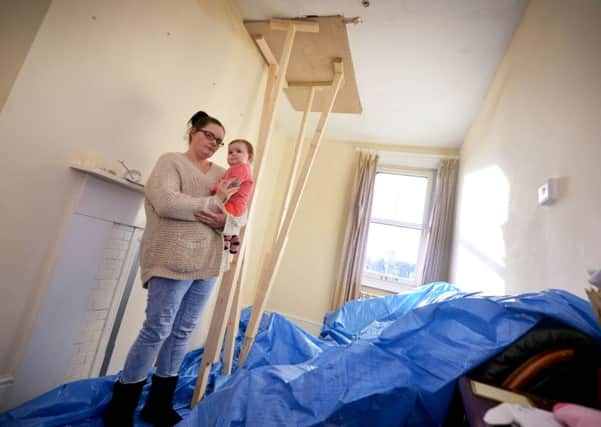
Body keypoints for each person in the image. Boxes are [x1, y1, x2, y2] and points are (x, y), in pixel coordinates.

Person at [104, 111, 239, 427]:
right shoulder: (171, 162)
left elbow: (239, 212)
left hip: (208, 263)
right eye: (209, 136)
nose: (215, 144)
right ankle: (121, 411)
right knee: (157, 330)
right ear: (193, 131)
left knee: (181, 332)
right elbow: (167, 203)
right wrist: (211, 204)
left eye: (220, 141)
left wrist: (227, 220)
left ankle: (157, 406)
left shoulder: (224, 173)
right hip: (170, 258)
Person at [211, 139, 254, 254]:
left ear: (249, 157)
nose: (233, 154)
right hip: (236, 204)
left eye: (238, 151)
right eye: (230, 152)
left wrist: (215, 188)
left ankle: (226, 240)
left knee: (220, 215)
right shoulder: (233, 169)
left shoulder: (242, 167)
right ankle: (234, 237)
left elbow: (233, 184)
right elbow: (224, 180)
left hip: (235, 204)